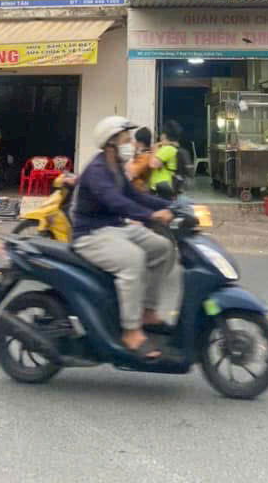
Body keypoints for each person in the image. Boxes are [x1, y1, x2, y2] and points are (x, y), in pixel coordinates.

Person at [71, 116, 174, 359]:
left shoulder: (115, 166)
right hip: (91, 234)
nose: (131, 144)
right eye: (126, 139)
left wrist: (170, 205)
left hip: (115, 227)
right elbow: (116, 202)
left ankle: (147, 311)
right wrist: (151, 215)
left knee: (162, 247)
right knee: (133, 260)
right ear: (111, 143)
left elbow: (135, 196)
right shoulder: (97, 170)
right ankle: (130, 331)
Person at [130, 126, 155, 193]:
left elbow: (133, 172)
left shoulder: (145, 157)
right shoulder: (146, 154)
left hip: (140, 191)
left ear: (140, 143)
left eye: (136, 141)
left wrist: (133, 151)